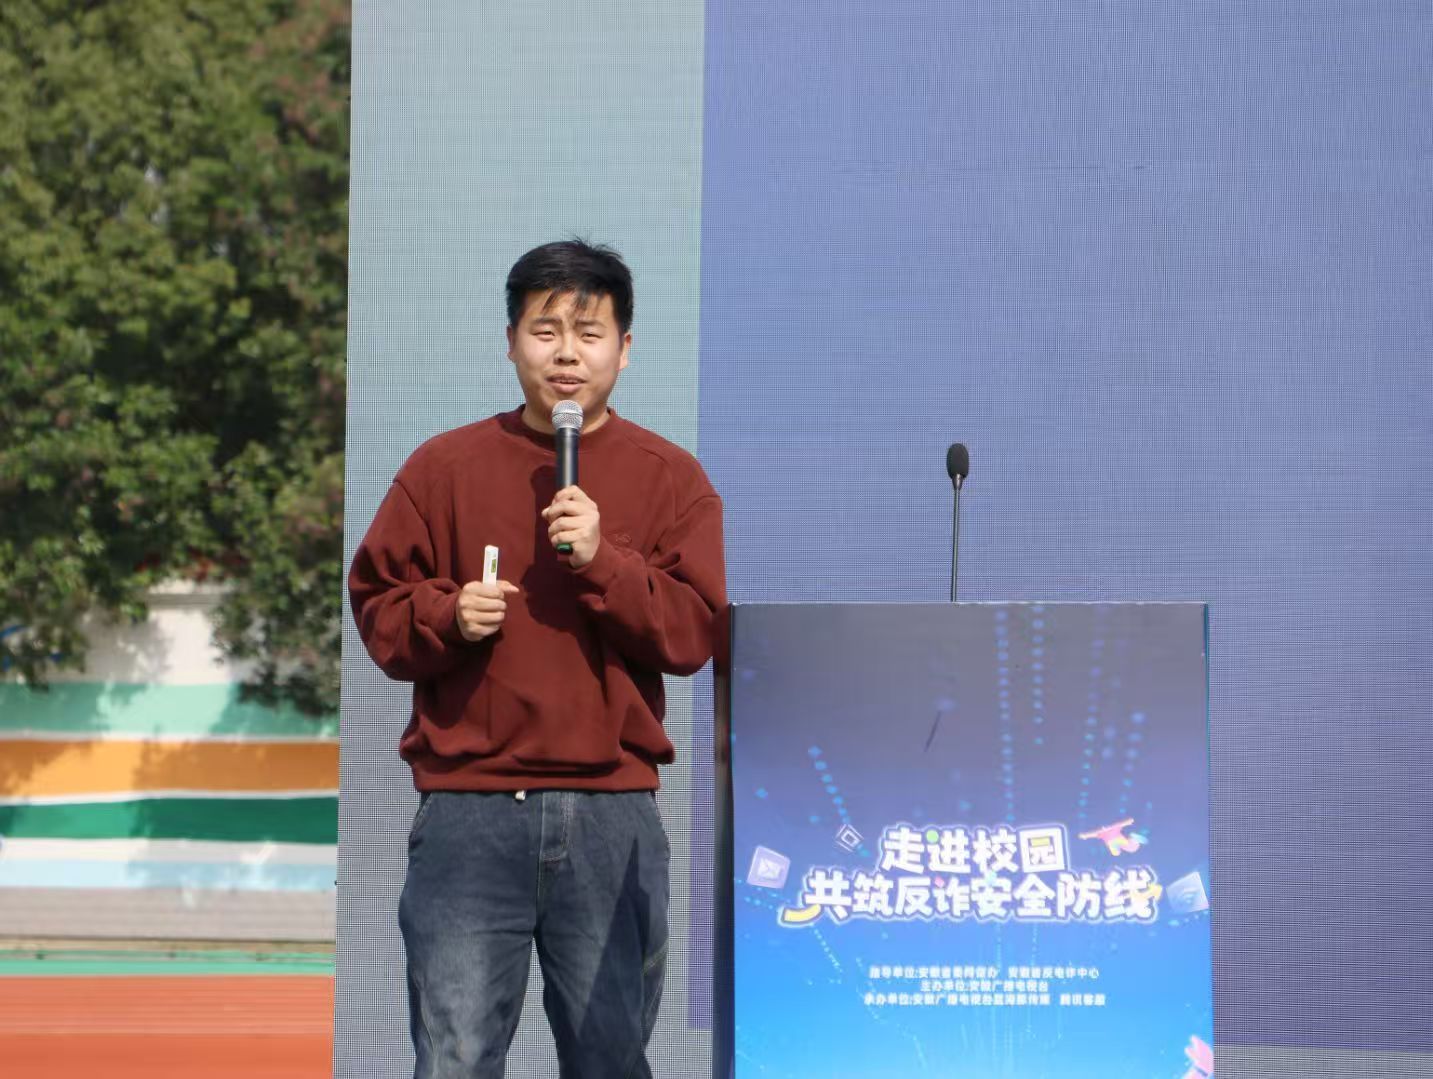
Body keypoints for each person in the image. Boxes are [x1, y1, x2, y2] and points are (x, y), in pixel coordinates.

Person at [348, 239, 726, 1079]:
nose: (565, 354)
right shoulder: (441, 468)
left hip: (610, 814)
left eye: (588, 334)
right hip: (470, 810)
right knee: (453, 1055)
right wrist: (447, 614)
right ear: (510, 341)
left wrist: (602, 560)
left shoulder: (671, 478)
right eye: (544, 330)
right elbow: (377, 603)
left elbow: (693, 632)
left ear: (624, 348)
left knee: (609, 1056)